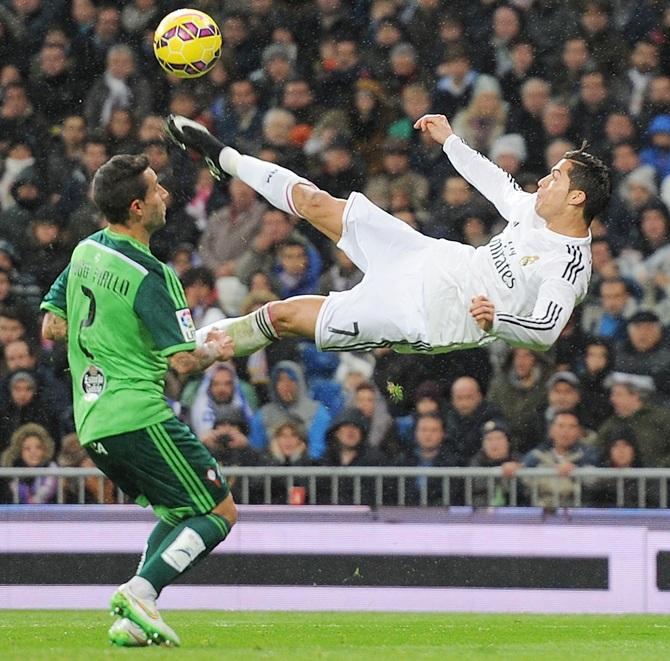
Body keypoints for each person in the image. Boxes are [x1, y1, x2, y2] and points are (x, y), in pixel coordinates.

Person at [166, 111, 611, 362]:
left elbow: (545, 330)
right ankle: (223, 156)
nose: (543, 182)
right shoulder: (534, 211)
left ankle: (194, 353)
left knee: (283, 315)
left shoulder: (568, 268)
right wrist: (452, 141)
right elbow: (499, 185)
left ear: (576, 198)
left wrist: (498, 322)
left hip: (425, 314)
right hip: (428, 257)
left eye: (555, 178)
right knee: (318, 202)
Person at [40, 154, 236, 647]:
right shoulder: (153, 274)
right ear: (136, 207)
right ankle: (141, 591)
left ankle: (132, 619)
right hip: (137, 413)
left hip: (93, 420)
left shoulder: (85, 251)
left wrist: (103, 354)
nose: (165, 194)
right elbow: (185, 362)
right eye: (155, 190)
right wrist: (213, 350)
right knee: (218, 511)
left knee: (175, 513)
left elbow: (53, 326)